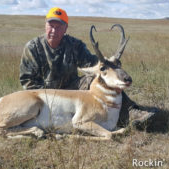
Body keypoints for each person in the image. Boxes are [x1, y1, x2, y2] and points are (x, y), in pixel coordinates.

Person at [19, 7, 153, 127]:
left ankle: (131, 113)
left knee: (99, 77)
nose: (54, 30)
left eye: (59, 26)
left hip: (73, 90)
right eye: (51, 25)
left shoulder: (74, 45)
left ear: (65, 28)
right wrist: (49, 99)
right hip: (46, 96)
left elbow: (94, 64)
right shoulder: (33, 48)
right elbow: (27, 82)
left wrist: (110, 65)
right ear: (45, 25)